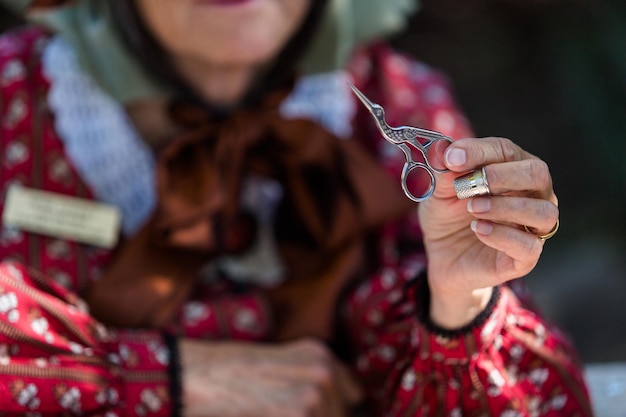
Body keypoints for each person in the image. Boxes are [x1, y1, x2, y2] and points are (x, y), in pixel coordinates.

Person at [0, 0, 593, 416]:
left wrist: (458, 304)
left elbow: (528, 404)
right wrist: (162, 379)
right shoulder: (12, 99)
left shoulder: (395, 102)